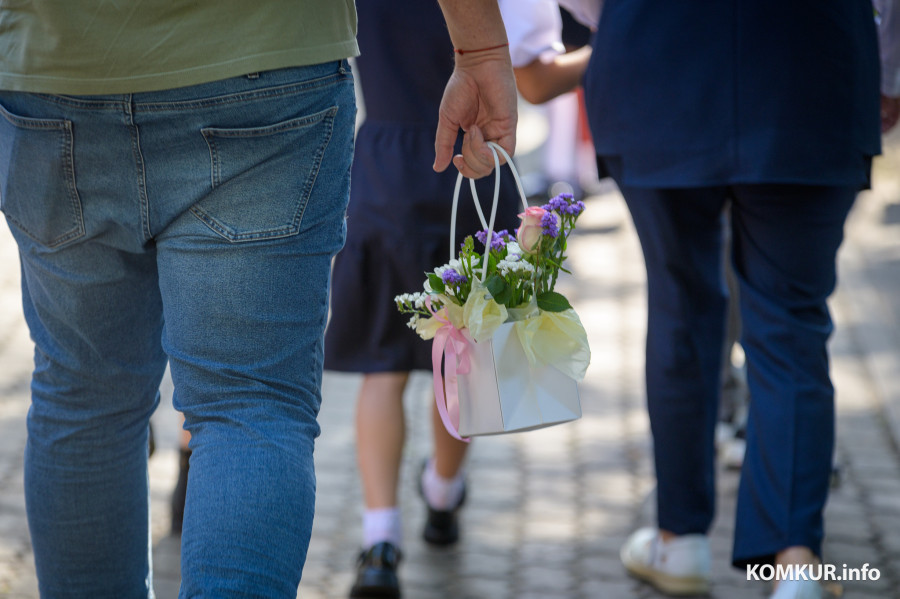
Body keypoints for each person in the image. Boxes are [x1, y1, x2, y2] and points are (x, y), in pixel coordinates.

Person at [0, 1, 518, 596]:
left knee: (84, 398)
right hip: (266, 65)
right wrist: (479, 49)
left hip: (53, 73)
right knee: (250, 407)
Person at [558, 0, 900, 597]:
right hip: (812, 65)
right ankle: (795, 564)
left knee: (680, 303)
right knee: (790, 322)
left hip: (659, 60)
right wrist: (890, 68)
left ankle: (680, 541)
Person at [322, 2, 590, 597]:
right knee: (460, 356)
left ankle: (379, 538)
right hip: (473, 166)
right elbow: (533, 74)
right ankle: (442, 494)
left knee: (382, 367)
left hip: (385, 167)